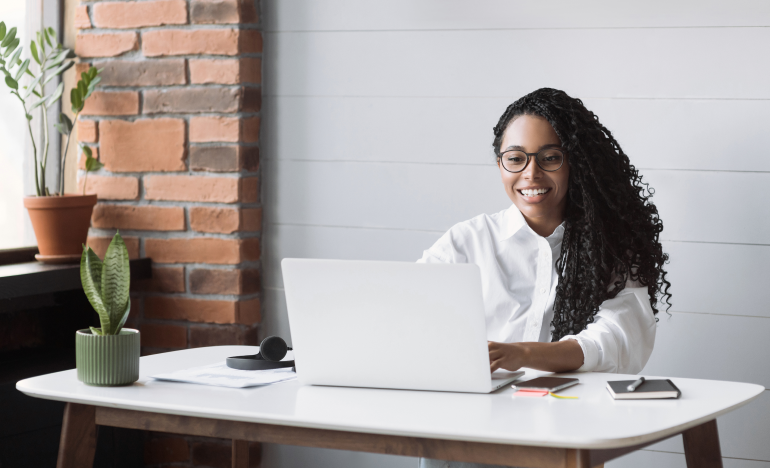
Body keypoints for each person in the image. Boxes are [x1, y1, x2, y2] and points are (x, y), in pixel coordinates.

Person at [417, 87, 671, 468]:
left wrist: (521, 353)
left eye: (550, 158)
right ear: (500, 164)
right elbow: (408, 310)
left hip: (565, 427)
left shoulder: (609, 248)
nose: (530, 174)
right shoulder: (467, 241)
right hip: (467, 425)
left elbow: (618, 338)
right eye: (515, 159)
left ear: (576, 164)